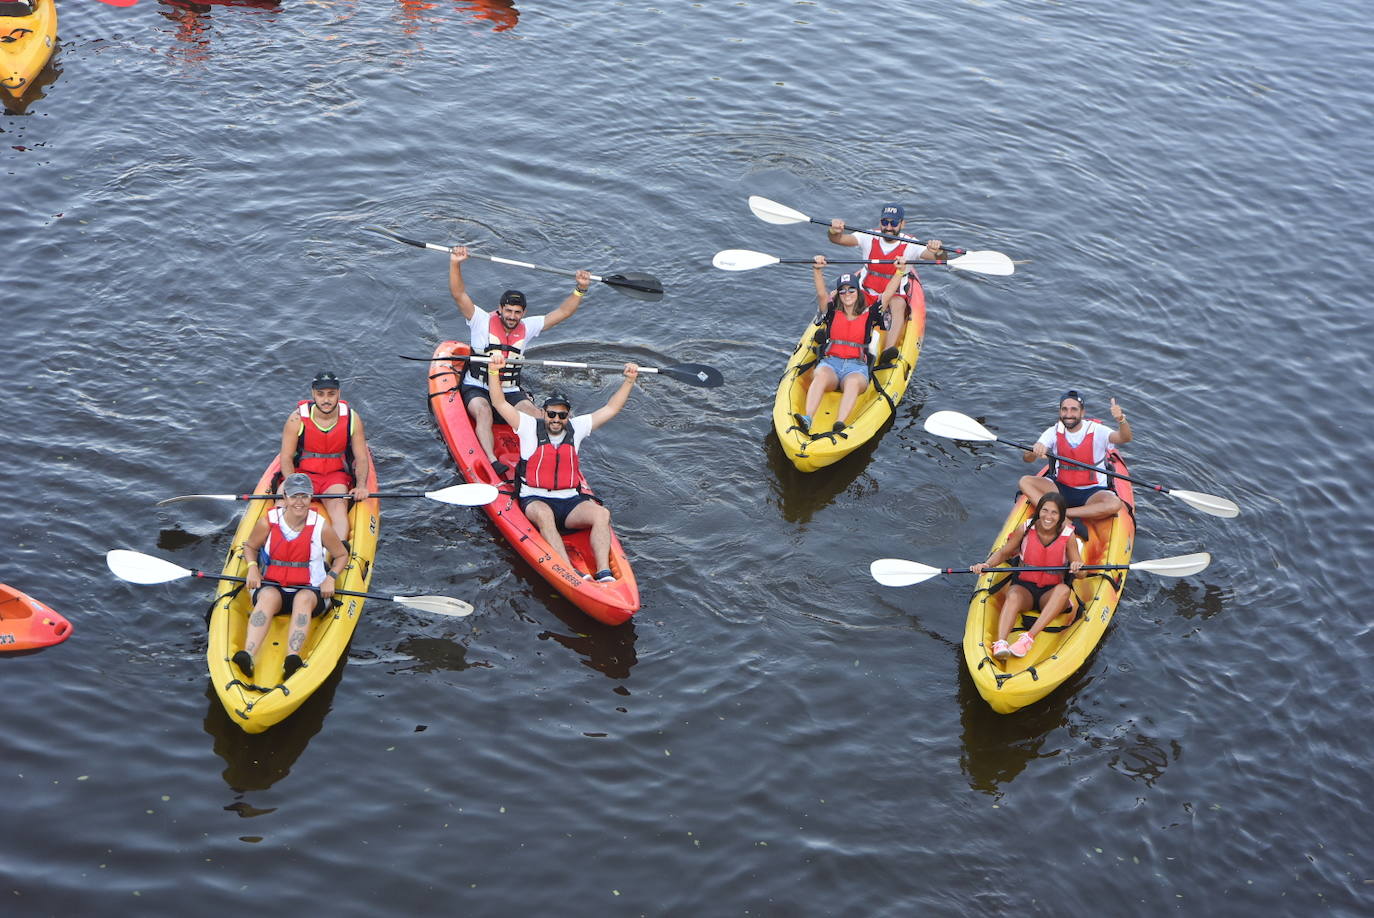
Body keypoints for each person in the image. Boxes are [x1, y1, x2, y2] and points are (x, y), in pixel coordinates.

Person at [485, 351, 637, 582]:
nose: (556, 419)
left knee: (602, 514)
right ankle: (569, 571)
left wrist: (629, 381)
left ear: (568, 416)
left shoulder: (577, 428)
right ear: (544, 413)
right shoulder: (527, 426)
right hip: (535, 499)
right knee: (545, 516)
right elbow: (498, 402)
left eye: (562, 415)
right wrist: (494, 370)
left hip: (570, 501)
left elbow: (610, 409)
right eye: (552, 414)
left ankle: (604, 572)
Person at [448, 245, 591, 477]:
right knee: (484, 411)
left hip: (509, 389)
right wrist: (455, 264)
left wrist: (580, 289)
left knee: (537, 414)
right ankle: (492, 461)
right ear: (500, 309)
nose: (512, 316)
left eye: (517, 312)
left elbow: (562, 313)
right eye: (508, 311)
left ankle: (549, 457)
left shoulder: (528, 326)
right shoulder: (479, 320)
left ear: (523, 313)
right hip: (477, 386)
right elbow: (458, 294)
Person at [233, 473, 349, 681]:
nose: (299, 502)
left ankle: (292, 659)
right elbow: (250, 547)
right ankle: (248, 654)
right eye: (294, 496)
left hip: (311, 591)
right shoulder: (267, 522)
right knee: (267, 597)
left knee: (302, 599)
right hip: (273, 586)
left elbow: (341, 555)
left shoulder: (321, 526)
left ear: (311, 497)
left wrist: (331, 577)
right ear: (285, 498)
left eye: (304, 496)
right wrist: (252, 567)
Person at [792, 255, 905, 435]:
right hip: (831, 364)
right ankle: (808, 418)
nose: (847, 294)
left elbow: (888, 294)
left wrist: (899, 271)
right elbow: (822, 294)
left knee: (852, 383)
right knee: (820, 374)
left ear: (858, 292)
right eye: (842, 291)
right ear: (838, 294)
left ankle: (840, 423)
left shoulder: (871, 313)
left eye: (851, 290)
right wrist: (817, 270)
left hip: (856, 368)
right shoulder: (831, 312)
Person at [971, 491, 1083, 660]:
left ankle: (1028, 639)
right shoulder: (1025, 528)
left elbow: (1082, 574)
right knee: (1013, 594)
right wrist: (986, 565)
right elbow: (1004, 553)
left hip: (1050, 594)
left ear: (1060, 516)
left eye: (1054, 512)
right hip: (1025, 591)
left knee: (1063, 590)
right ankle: (1001, 643)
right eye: (1045, 510)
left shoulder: (1068, 536)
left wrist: (1077, 567)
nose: (1048, 516)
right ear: (1039, 511)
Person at [826, 202, 942, 354]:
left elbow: (936, 258)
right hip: (866, 292)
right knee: (837, 296)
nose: (888, 227)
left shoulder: (911, 244)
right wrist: (834, 231)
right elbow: (837, 240)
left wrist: (937, 250)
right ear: (880, 222)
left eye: (893, 223)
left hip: (894, 295)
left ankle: (889, 350)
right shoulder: (869, 236)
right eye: (884, 222)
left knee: (899, 305)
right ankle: (829, 336)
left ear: (902, 224)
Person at [1018, 390, 1132, 537]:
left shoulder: (1098, 430)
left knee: (1115, 504)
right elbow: (1027, 459)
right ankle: (1062, 516)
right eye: (1064, 409)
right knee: (1024, 481)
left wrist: (1121, 419)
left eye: (1074, 409)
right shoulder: (1053, 431)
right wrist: (1034, 451)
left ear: (1082, 412)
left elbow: (1125, 438)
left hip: (1092, 491)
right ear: (1060, 411)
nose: (1068, 414)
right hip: (1060, 487)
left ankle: (1059, 514)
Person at [277, 371, 370, 545]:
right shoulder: (296, 419)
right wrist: (293, 483)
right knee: (282, 502)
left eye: (331, 394)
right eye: (320, 394)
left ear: (339, 394)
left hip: (334, 477)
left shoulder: (352, 418)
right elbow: (286, 457)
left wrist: (361, 485)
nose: (326, 400)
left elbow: (362, 458)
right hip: (303, 474)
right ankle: (279, 545)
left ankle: (337, 554)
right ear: (313, 394)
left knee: (338, 509)